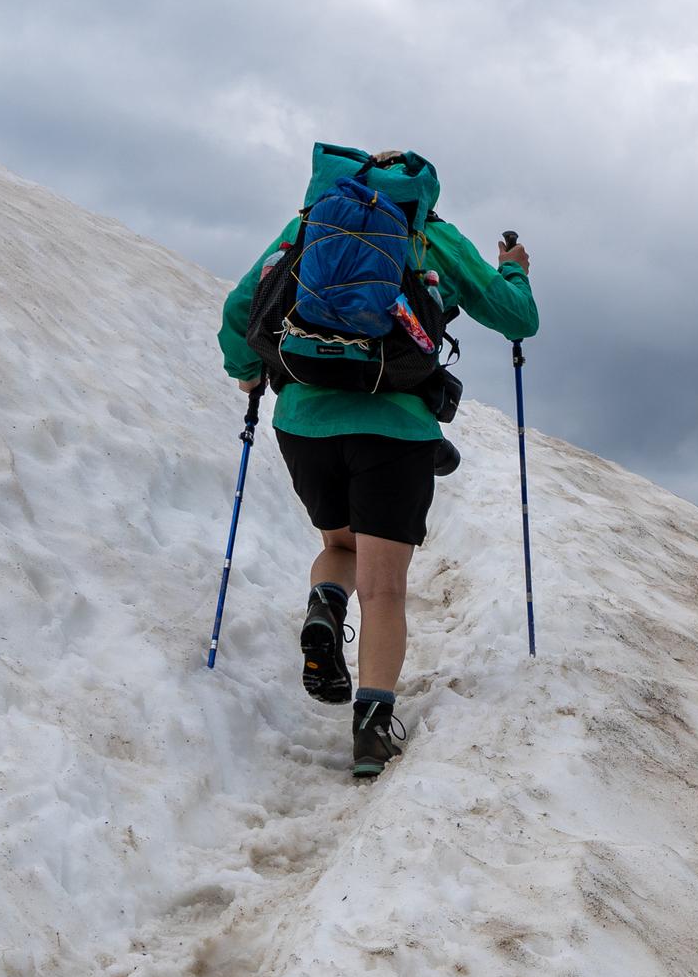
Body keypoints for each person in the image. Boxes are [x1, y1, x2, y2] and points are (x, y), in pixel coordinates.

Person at [218, 147, 538, 777]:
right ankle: (370, 731)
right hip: (395, 426)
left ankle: (326, 607)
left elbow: (239, 307)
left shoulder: (310, 224)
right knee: (386, 586)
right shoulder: (431, 236)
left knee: (339, 544)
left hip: (305, 420)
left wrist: (248, 374)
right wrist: (514, 272)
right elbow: (517, 318)